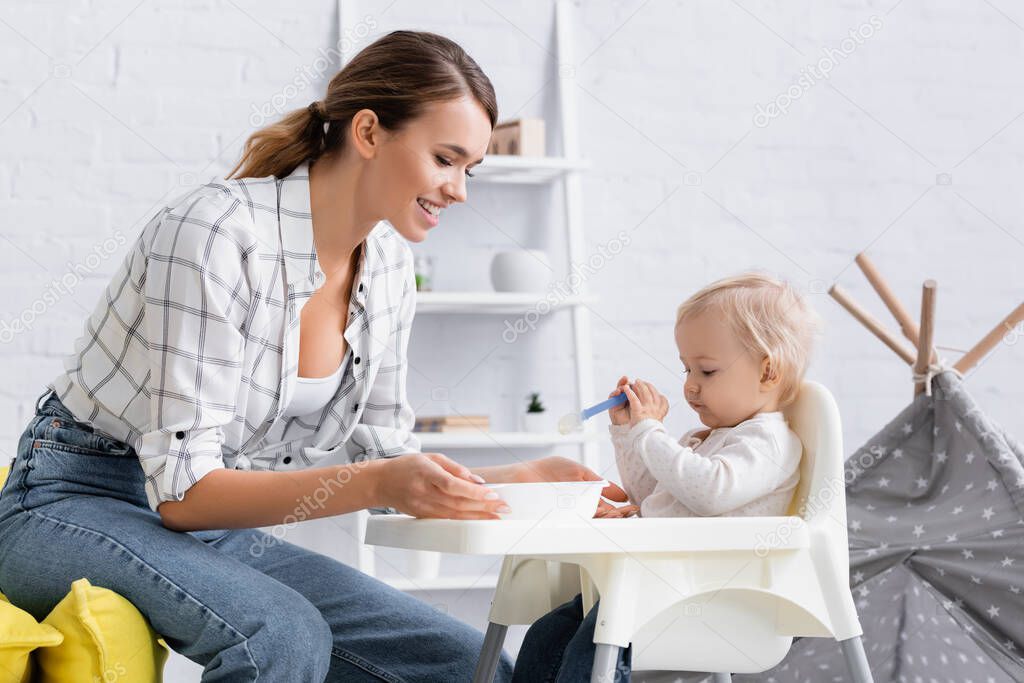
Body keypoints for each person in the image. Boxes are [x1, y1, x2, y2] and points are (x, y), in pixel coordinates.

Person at [0, 30, 623, 682]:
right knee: (281, 630)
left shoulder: (386, 271)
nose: (459, 190)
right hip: (68, 498)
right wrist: (382, 482)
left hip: (201, 527)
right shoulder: (215, 233)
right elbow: (183, 493)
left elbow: (384, 462)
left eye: (471, 169)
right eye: (446, 158)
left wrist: (519, 483)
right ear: (369, 132)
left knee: (470, 665)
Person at [512, 272, 820, 682]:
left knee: (594, 645)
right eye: (686, 370)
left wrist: (649, 432)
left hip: (710, 598)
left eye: (706, 372)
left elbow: (710, 492)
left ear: (768, 372)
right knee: (547, 634)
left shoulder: (769, 442)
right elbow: (653, 494)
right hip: (658, 586)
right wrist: (627, 434)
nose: (690, 387)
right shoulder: (704, 438)